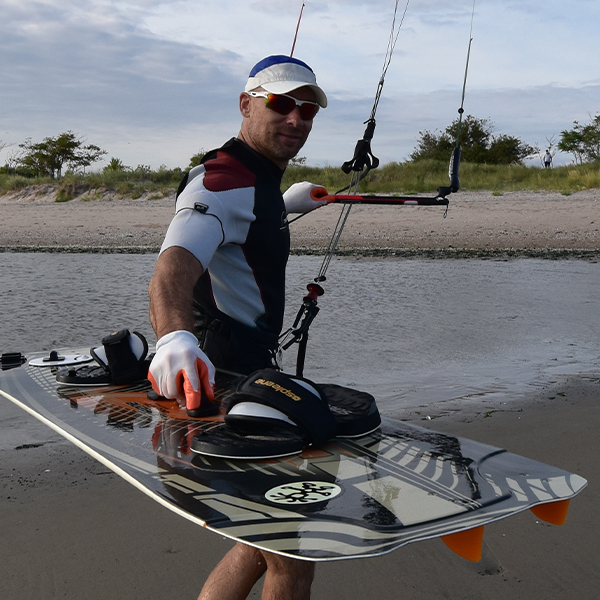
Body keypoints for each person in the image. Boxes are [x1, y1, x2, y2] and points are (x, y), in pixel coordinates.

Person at [147, 54, 331, 600]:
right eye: (280, 104)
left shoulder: (253, 184)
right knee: (289, 551)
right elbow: (172, 268)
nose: (296, 118)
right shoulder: (223, 183)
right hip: (222, 385)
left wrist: (283, 205)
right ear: (246, 103)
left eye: (307, 109)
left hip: (250, 373)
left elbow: (237, 234)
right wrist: (173, 338)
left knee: (259, 536)